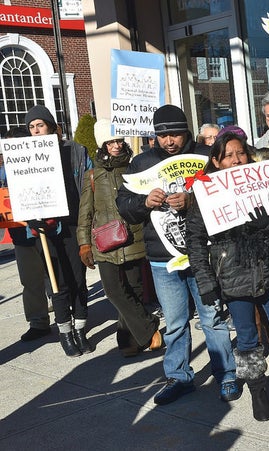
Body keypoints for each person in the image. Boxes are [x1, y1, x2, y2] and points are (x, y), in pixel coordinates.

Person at [186, 132, 269, 421]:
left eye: (241, 153)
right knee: (247, 340)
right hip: (233, 276)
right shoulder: (204, 193)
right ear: (216, 161)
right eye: (229, 156)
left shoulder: (264, 182)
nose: (236, 160)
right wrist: (206, 282)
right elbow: (195, 241)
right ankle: (258, 393)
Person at [116, 104, 238, 405]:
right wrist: (144, 202)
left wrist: (192, 201)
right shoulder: (140, 163)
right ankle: (179, 377)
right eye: (163, 136)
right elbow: (124, 205)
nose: (170, 141)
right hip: (161, 258)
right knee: (174, 321)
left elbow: (224, 193)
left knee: (212, 316)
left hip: (203, 254)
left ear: (187, 131)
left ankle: (227, 375)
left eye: (176, 134)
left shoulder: (205, 158)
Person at [76, 119, 163, 357]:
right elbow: (85, 213)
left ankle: (128, 341)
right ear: (102, 144)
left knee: (133, 291)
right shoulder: (93, 176)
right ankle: (149, 327)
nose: (116, 145)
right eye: (110, 141)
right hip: (104, 243)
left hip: (133, 237)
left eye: (118, 140)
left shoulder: (135, 168)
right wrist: (84, 244)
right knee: (114, 291)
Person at [24, 105, 93, 357]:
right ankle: (65, 330)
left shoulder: (74, 151)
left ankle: (81, 328)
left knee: (78, 279)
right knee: (58, 283)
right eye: (31, 127)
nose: (36, 131)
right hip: (47, 230)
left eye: (40, 125)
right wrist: (31, 219)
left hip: (74, 224)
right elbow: (20, 192)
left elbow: (87, 184)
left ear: (51, 126)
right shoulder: (25, 155)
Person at [2, 127, 53, 342]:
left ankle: (64, 315)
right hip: (21, 236)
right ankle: (38, 322)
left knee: (55, 275)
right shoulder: (2, 172)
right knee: (30, 280)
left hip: (47, 231)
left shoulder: (43, 167)